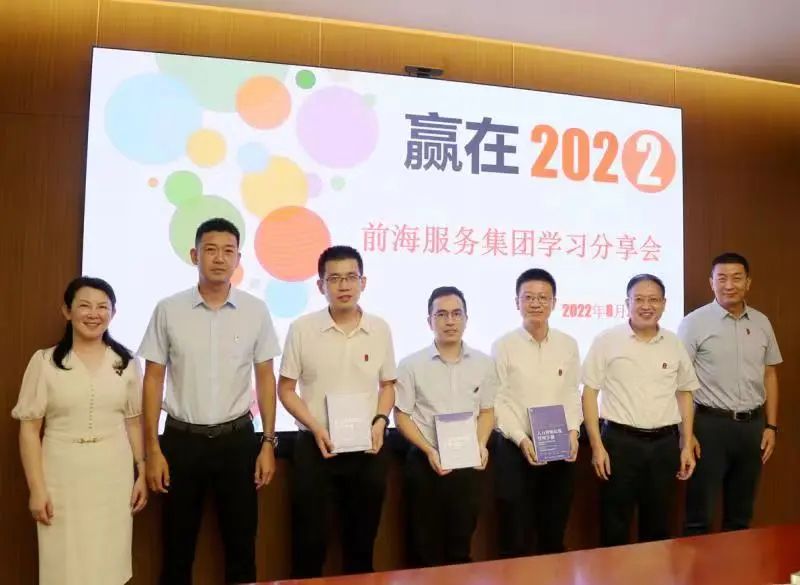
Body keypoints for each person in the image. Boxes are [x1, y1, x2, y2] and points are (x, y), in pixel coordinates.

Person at [139, 217, 281, 585]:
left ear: (238, 259)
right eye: (211, 250)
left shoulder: (255, 310)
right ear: (194, 255)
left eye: (228, 251)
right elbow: (153, 378)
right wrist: (152, 449)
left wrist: (267, 442)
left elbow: (266, 377)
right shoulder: (168, 309)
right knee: (176, 549)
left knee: (241, 549)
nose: (219, 258)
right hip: (182, 442)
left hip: (237, 442)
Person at [13, 276, 147, 585]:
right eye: (84, 306)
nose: (93, 314)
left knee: (108, 562)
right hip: (61, 476)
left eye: (102, 307)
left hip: (113, 477)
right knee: (64, 564)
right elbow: (29, 431)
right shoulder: (45, 362)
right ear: (67, 311)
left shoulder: (126, 362)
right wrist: (37, 489)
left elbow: (133, 421)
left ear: (113, 313)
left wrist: (141, 471)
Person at [278, 245, 396, 578]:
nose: (344, 286)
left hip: (367, 449)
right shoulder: (302, 329)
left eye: (350, 277)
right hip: (315, 447)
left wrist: (381, 420)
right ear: (321, 285)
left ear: (363, 282)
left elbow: (388, 385)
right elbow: (285, 389)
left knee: (362, 545)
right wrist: (316, 427)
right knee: (309, 545)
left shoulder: (380, 329)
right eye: (334, 279)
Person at [582, 274, 698, 546]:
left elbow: (684, 392)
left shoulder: (673, 343)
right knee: (615, 523)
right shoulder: (607, 340)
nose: (647, 306)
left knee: (658, 525)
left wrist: (685, 442)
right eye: (640, 299)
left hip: (664, 444)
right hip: (619, 443)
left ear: (664, 304)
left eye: (654, 300)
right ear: (627, 303)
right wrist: (597, 446)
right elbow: (589, 393)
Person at [680, 252, 782, 535]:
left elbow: (770, 374)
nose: (729, 285)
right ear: (711, 282)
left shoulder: (761, 322)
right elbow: (680, 383)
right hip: (709, 426)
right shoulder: (694, 323)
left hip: (752, 427)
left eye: (737, 278)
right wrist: (686, 434)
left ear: (748, 282)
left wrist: (771, 426)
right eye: (722, 278)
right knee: (700, 515)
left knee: (740, 515)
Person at [394, 286, 497, 567]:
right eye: (441, 314)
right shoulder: (410, 365)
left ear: (466, 319)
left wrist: (480, 444)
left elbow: (487, 411)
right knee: (423, 549)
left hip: (467, 465)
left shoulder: (484, 364)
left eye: (456, 314)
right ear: (429, 321)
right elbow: (401, 415)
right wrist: (428, 450)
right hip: (425, 461)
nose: (449, 321)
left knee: (460, 548)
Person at [492, 268, 581, 556]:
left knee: (553, 532)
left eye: (543, 297)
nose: (536, 303)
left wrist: (573, 431)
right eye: (528, 297)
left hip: (559, 448)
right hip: (516, 448)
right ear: (517, 302)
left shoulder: (568, 344)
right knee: (516, 535)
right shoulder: (503, 346)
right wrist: (521, 438)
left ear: (554, 302)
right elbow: (498, 400)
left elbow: (571, 392)